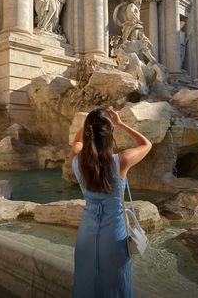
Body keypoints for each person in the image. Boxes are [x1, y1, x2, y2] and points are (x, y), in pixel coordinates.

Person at [69, 107, 152, 298]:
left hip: (86, 237)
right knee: (116, 288)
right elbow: (146, 144)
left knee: (86, 286)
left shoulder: (77, 162)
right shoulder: (121, 161)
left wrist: (88, 123)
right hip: (114, 238)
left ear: (89, 131)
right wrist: (120, 123)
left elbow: (78, 141)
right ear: (109, 133)